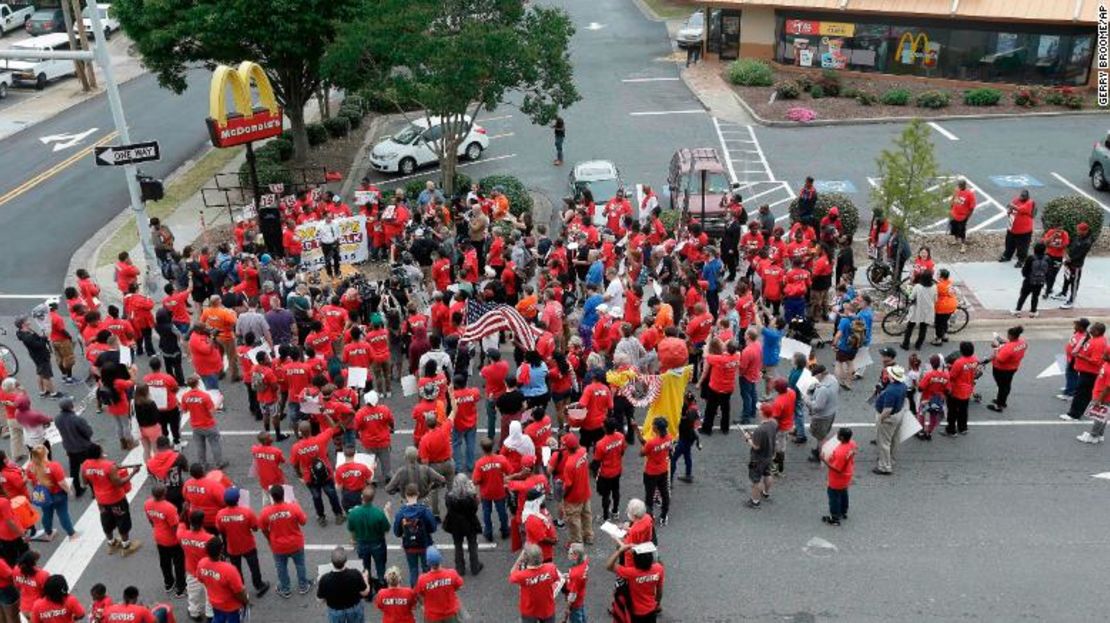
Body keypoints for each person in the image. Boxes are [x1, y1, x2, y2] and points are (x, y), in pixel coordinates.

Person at [81, 444, 141, 554]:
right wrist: (133, 473)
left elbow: (84, 482)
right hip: (116, 498)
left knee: (106, 521)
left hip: (100, 500)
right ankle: (126, 546)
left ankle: (111, 543)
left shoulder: (85, 465)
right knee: (122, 521)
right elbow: (119, 483)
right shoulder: (109, 466)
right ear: (99, 452)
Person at [259, 484, 313, 598]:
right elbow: (303, 522)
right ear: (284, 495)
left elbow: (263, 529)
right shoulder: (293, 507)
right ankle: (303, 586)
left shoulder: (265, 512)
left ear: (272, 497)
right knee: (300, 565)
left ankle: (285, 589)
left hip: (278, 546)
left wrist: (270, 539)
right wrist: (298, 505)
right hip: (296, 544)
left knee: (281, 567)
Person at [216, 488, 270, 597]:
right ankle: (259, 585)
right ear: (238, 499)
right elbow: (255, 528)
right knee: (254, 567)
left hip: (232, 548)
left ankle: (241, 589)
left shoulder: (220, 514)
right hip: (248, 546)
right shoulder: (247, 512)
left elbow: (220, 530)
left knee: (236, 570)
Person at [290, 421, 345, 526]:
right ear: (310, 430)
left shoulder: (296, 448)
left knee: (316, 497)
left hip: (309, 477)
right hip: (325, 474)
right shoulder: (321, 439)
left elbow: (295, 464)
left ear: (300, 432)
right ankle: (338, 515)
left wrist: (300, 476)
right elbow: (334, 427)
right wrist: (325, 414)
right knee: (332, 494)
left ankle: (321, 517)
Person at [144, 483, 186, 598]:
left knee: (164, 562)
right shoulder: (169, 508)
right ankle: (180, 588)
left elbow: (151, 521)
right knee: (179, 564)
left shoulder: (147, 503)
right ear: (164, 493)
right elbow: (174, 527)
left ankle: (168, 583)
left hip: (158, 537)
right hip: (172, 540)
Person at [606, 541, 664, 623]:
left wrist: (620, 551)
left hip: (635, 612)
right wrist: (657, 604)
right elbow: (659, 590)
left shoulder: (631, 573)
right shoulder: (659, 569)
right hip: (651, 609)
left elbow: (608, 566)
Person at [346, 485, 391, 591]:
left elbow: (352, 530)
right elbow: (387, 529)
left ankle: (368, 586)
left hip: (361, 543)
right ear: (373, 498)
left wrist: (353, 540)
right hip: (377, 543)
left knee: (365, 567)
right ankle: (381, 585)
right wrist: (387, 513)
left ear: (362, 497)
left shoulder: (353, 513)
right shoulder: (378, 514)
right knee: (380, 565)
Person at [196, 537, 249, 623]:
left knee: (218, 618)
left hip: (214, 602)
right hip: (231, 606)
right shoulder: (229, 569)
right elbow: (238, 592)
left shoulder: (202, 563)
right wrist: (246, 601)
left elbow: (200, 579)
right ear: (221, 550)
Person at [27, 445, 75, 540]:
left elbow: (30, 481)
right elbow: (61, 483)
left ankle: (48, 533)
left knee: (46, 514)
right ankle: (71, 534)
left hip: (43, 495)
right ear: (46, 453)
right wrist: (69, 491)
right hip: (57, 494)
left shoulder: (30, 467)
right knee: (63, 513)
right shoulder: (54, 466)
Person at [394, 483, 437, 588]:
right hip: (424, 544)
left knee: (413, 569)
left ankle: (415, 592)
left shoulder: (401, 513)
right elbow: (433, 528)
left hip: (409, 546)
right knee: (426, 569)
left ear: (405, 495)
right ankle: (427, 590)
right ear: (417, 494)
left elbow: (397, 532)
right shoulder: (424, 510)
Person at [1061, 322, 1107, 422]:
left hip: (1090, 373)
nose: (1090, 330)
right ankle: (1083, 410)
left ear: (1098, 331)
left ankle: (1074, 415)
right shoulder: (1095, 339)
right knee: (1085, 394)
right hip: (1086, 372)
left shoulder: (1098, 343)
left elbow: (1096, 361)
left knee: (1081, 394)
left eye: (1093, 329)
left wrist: (1081, 356)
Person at [51, 398, 92, 498]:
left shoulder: (57, 419)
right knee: (89, 468)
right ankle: (94, 491)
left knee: (74, 469)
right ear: (71, 406)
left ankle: (77, 489)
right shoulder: (77, 419)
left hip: (69, 447)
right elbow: (88, 433)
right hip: (82, 448)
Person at [443, 474, 483, 577]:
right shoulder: (470, 497)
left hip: (455, 525)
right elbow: (474, 509)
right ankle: (475, 567)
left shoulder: (449, 497)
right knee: (473, 544)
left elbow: (448, 508)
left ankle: (460, 569)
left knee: (458, 545)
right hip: (470, 523)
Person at [317, 547, 370, 623]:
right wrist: (365, 578)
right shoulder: (355, 574)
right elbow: (365, 592)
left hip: (335, 611)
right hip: (354, 608)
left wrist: (321, 584)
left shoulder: (325, 579)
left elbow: (320, 599)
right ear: (345, 561)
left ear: (332, 562)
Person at [509, 543, 558, 623]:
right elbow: (555, 579)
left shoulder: (522, 575)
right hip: (547, 608)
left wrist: (519, 560)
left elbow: (512, 574)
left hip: (529, 610)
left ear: (526, 559)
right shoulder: (551, 568)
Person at [15, 318, 63, 399]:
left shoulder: (25, 331)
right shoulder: (27, 337)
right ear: (23, 325)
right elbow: (39, 345)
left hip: (36, 356)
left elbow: (36, 339)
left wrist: (41, 337)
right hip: (41, 356)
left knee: (40, 373)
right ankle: (53, 393)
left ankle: (42, 391)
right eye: (26, 320)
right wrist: (45, 338)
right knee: (46, 375)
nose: (28, 320)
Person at [872, 365, 908, 475]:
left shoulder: (891, 390)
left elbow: (887, 410)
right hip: (898, 414)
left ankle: (884, 466)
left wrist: (880, 419)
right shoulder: (902, 386)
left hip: (889, 417)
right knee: (893, 438)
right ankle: (890, 458)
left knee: (884, 442)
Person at [743, 404, 777, 509]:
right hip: (769, 455)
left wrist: (748, 439)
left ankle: (755, 501)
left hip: (757, 459)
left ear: (762, 413)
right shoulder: (773, 424)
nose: (758, 412)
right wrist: (754, 435)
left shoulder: (760, 430)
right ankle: (765, 492)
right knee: (768, 474)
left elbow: (756, 446)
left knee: (755, 480)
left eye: (760, 410)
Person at [821, 427, 857, 526]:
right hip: (848, 474)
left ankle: (835, 518)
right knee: (844, 492)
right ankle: (843, 511)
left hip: (837, 479)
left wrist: (824, 461)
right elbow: (854, 452)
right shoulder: (852, 443)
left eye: (838, 434)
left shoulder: (840, 452)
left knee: (834, 496)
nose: (836, 434)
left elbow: (837, 469)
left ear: (841, 437)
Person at [987, 326, 1027, 413]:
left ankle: (999, 406)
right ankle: (1002, 401)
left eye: (1008, 335)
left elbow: (1000, 359)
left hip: (1001, 369)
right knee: (1007, 385)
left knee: (1001, 387)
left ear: (1011, 336)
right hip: (1013, 368)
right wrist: (1003, 341)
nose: (1007, 336)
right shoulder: (1023, 343)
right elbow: (1011, 344)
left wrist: (996, 348)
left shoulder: (1008, 348)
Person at [803, 364, 838, 463]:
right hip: (831, 412)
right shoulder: (832, 379)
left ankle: (821, 456)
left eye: (815, 376)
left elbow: (817, 407)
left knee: (820, 437)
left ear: (820, 374)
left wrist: (807, 399)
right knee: (822, 435)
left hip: (822, 416)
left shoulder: (823, 389)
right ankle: (818, 450)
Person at [946, 342, 979, 436]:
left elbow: (951, 376)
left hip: (956, 390)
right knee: (963, 410)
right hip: (968, 389)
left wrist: (950, 368)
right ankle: (963, 428)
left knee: (952, 411)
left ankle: (951, 430)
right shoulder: (975, 360)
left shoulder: (959, 362)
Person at [1057, 222, 1093, 310]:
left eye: (1079, 230)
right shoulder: (1078, 237)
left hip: (1076, 265)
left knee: (1074, 283)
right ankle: (1063, 293)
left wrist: (1069, 259)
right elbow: (1071, 247)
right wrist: (1066, 255)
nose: (1077, 231)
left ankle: (1071, 300)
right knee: (1067, 278)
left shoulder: (1087, 242)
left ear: (1085, 231)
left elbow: (1079, 255)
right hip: (1068, 262)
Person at [900, 270, 936, 351]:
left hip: (917, 310)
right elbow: (935, 299)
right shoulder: (934, 287)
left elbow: (911, 297)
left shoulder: (918, 287)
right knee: (923, 329)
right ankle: (918, 345)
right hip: (928, 311)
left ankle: (905, 344)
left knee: (910, 328)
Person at [999, 189, 1035, 265]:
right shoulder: (1016, 200)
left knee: (1022, 247)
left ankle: (1021, 260)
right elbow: (1011, 206)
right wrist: (1009, 210)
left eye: (1023, 196)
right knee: (1009, 244)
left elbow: (1021, 209)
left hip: (1024, 231)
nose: (1021, 197)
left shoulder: (1030, 203)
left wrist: (1012, 206)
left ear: (1027, 197)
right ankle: (1007, 256)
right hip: (1012, 228)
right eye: (1021, 195)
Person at [1014, 242, 1049, 317]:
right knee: (1035, 297)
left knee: (1023, 295)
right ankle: (1033, 311)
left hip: (1029, 280)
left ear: (1035, 250)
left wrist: (1026, 276)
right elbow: (1048, 271)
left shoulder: (1031, 258)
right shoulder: (1047, 258)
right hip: (1040, 281)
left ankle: (1018, 310)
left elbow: (1025, 270)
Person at [949, 179, 975, 253]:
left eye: (960, 185)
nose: (958, 187)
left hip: (962, 216)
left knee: (962, 231)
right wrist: (951, 208)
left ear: (964, 185)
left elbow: (972, 207)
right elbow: (953, 199)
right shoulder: (957, 191)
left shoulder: (969, 194)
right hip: (954, 214)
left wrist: (968, 216)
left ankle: (963, 245)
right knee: (954, 228)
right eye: (958, 185)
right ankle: (955, 240)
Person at [932, 269, 957, 346]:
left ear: (942, 277)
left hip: (943, 307)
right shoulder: (949, 282)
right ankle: (944, 335)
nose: (936, 275)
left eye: (938, 274)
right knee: (945, 321)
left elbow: (934, 295)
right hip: (952, 305)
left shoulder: (939, 286)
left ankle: (938, 339)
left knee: (938, 323)